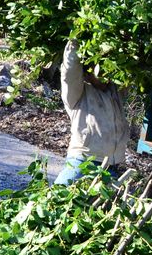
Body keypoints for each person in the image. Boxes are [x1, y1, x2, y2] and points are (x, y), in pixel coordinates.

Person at [55, 39, 128, 185]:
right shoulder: (78, 94)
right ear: (88, 73)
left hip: (110, 166)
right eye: (100, 71)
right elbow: (70, 72)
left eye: (108, 71)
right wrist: (76, 39)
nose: (106, 76)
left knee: (102, 207)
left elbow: (128, 72)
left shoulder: (115, 93)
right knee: (60, 200)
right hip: (83, 162)